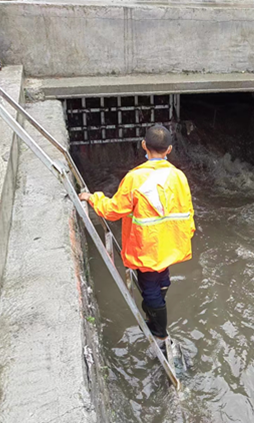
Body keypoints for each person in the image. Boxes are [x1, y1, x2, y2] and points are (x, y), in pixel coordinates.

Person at [79, 125, 195, 349]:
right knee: (161, 280)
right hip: (170, 244)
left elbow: (113, 210)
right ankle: (157, 312)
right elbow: (188, 211)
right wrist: (185, 235)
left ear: (144, 145)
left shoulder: (135, 178)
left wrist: (94, 198)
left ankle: (160, 334)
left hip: (147, 245)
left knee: (149, 288)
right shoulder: (179, 176)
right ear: (169, 149)